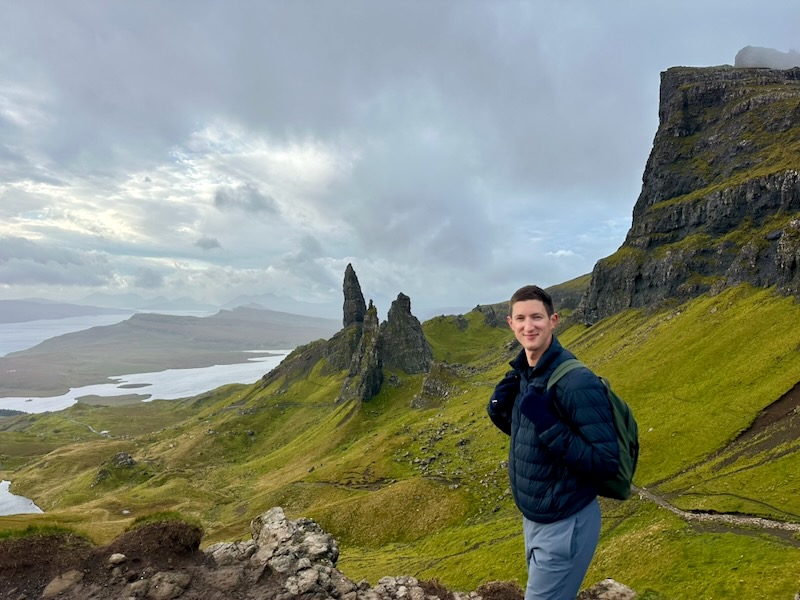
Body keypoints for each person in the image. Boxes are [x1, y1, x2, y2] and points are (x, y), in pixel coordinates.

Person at [487, 285, 619, 600]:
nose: (528, 326)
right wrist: (498, 412)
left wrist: (546, 421)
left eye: (537, 317)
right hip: (537, 519)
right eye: (520, 318)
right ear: (510, 323)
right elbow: (536, 443)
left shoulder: (576, 382)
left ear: (553, 320)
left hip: (565, 523)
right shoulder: (527, 374)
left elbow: (605, 462)